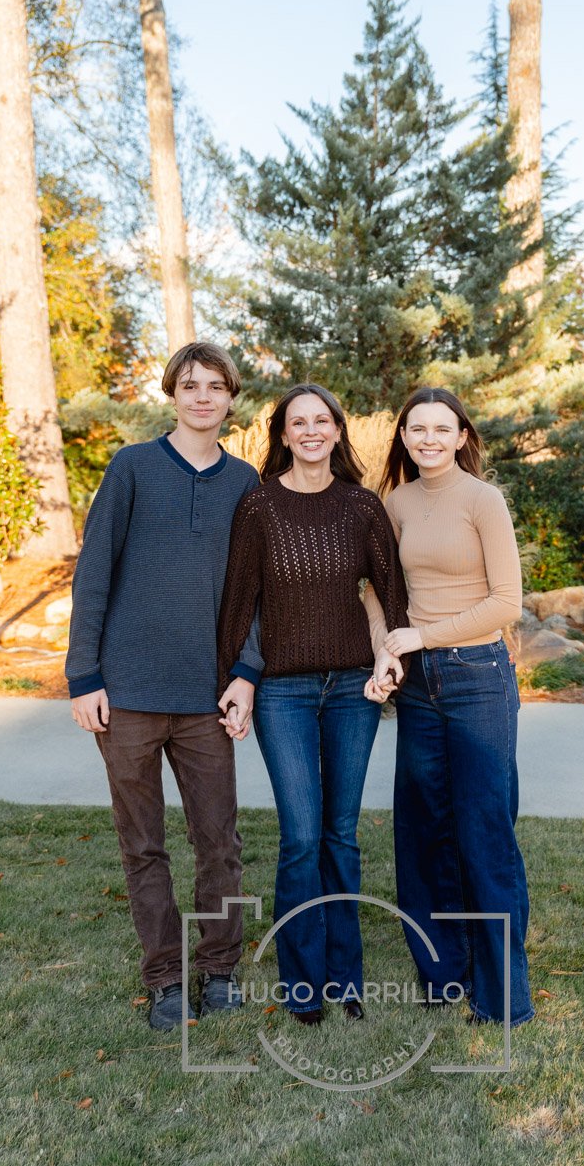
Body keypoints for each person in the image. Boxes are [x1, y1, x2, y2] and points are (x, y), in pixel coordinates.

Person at [66, 341, 262, 1030]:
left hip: (207, 698)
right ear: (172, 395)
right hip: (125, 697)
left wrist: (246, 674)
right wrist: (83, 674)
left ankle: (218, 970)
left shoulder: (246, 484)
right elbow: (93, 575)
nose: (203, 396)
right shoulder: (132, 469)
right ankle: (165, 981)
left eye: (215, 385)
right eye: (190, 385)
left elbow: (257, 594)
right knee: (142, 843)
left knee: (220, 842)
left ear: (231, 398)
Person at [216, 384, 409, 1026]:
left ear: (337, 431)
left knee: (341, 836)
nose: (311, 431)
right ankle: (303, 982)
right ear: (283, 435)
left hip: (352, 689)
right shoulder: (259, 507)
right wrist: (236, 681)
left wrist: (391, 659)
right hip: (284, 693)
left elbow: (393, 593)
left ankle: (346, 977)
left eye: (321, 421)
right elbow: (238, 604)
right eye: (298, 422)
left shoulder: (362, 507)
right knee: (301, 837)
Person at [366, 386, 533, 1028]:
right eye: (417, 429)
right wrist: (387, 650)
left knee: (483, 828)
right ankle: (443, 976)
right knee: (422, 829)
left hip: (478, 676)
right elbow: (379, 591)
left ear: (462, 436)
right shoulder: (398, 501)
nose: (428, 439)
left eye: (442, 429)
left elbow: (506, 603)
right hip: (417, 683)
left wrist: (423, 637)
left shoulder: (483, 500)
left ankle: (502, 996)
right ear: (403, 437)